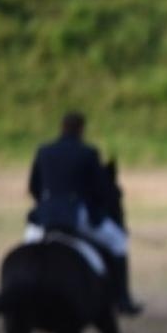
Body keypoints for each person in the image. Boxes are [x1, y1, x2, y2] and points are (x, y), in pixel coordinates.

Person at [27, 111, 143, 315]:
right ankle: (122, 299)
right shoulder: (88, 153)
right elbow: (99, 190)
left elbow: (34, 187)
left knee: (27, 251)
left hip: (43, 217)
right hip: (75, 215)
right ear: (81, 129)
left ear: (61, 127)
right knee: (118, 242)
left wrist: (46, 204)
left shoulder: (44, 151)